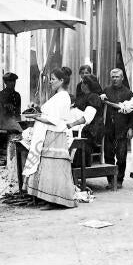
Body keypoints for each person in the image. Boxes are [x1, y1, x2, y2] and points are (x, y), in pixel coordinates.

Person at [23, 67, 75, 208]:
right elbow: (48, 114)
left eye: (53, 79)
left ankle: (56, 200)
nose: (50, 81)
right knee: (46, 166)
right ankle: (46, 198)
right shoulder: (57, 96)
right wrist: (37, 109)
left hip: (56, 134)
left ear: (62, 80)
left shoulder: (63, 97)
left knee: (53, 167)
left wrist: (36, 116)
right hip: (49, 132)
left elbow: (55, 120)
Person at [101, 68, 133, 189]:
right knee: (108, 155)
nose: (115, 79)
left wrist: (131, 128)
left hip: (122, 128)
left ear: (122, 78)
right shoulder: (106, 90)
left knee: (121, 156)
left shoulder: (128, 93)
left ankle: (119, 180)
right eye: (113, 77)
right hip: (109, 128)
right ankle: (111, 180)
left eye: (117, 77)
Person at [67, 74, 104, 168]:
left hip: (92, 128)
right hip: (79, 125)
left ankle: (78, 167)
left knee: (76, 136)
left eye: (82, 83)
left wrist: (72, 124)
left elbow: (87, 118)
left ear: (87, 85)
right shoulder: (82, 96)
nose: (81, 85)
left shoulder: (94, 97)